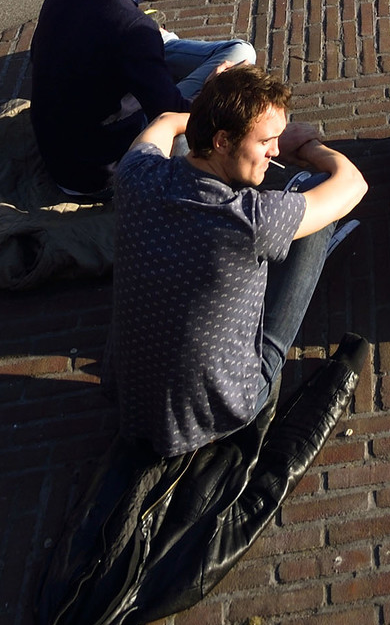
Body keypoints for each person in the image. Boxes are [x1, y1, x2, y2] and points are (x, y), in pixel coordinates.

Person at [108, 65, 367, 459]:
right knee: (315, 199)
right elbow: (353, 184)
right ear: (223, 140)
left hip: (132, 403)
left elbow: (165, 122)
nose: (276, 151)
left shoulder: (134, 174)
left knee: (181, 151)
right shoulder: (250, 219)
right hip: (222, 414)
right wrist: (311, 147)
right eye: (267, 141)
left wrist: (217, 110)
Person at [30, 0, 256, 197]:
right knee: (241, 54)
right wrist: (213, 91)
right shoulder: (134, 31)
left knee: (150, 43)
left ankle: (162, 47)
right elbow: (172, 115)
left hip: (57, 153)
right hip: (100, 173)